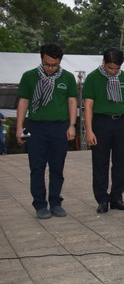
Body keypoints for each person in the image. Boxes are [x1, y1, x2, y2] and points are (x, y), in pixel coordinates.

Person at [16, 43, 77, 219]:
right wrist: (20, 127)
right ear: (41, 59)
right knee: (37, 168)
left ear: (60, 62)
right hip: (36, 127)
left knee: (57, 168)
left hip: (59, 127)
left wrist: (71, 125)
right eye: (47, 64)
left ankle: (56, 202)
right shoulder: (29, 76)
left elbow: (72, 101)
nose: (50, 68)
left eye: (54, 65)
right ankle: (40, 204)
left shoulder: (67, 77)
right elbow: (23, 102)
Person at [83, 47, 124, 213]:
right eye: (110, 68)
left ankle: (117, 197)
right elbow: (88, 105)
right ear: (103, 62)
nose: (114, 71)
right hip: (101, 122)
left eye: (117, 68)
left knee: (121, 162)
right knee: (100, 162)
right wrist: (89, 130)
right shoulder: (93, 78)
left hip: (122, 123)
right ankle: (102, 199)